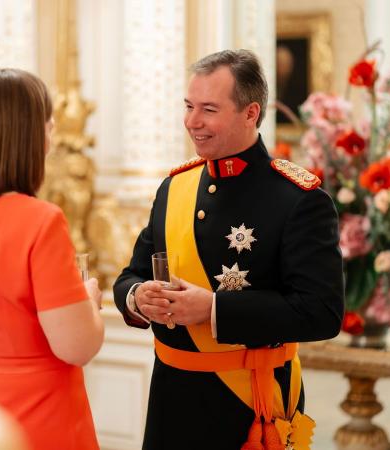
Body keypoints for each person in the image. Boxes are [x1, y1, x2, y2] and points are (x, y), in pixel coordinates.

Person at [113, 49, 344, 450]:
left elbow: (322, 313)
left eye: (208, 109)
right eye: (188, 106)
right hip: (171, 407)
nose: (191, 122)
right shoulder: (174, 188)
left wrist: (213, 310)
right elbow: (130, 274)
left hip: (248, 410)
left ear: (250, 113)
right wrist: (137, 297)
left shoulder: (298, 199)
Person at [0, 68, 103, 450]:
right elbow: (77, 346)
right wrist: (89, 300)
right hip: (41, 418)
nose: (51, 137)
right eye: (48, 125)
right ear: (26, 136)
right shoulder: (40, 221)